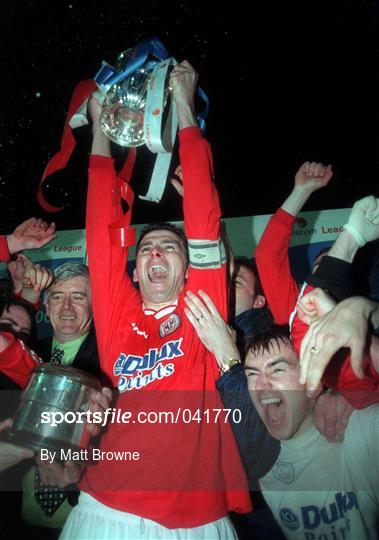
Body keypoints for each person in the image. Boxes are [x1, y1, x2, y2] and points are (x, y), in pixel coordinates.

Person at [59, 60, 251, 539]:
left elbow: (204, 218)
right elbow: (102, 233)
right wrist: (102, 128)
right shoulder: (119, 312)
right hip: (108, 507)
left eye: (169, 247)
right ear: (137, 268)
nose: (156, 253)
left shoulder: (201, 310)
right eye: (146, 248)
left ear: (188, 269)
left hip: (197, 521)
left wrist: (185, 106)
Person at [184, 290, 379, 539]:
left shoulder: (354, 434)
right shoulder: (253, 453)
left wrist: (365, 311)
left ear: (313, 379)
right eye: (252, 374)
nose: (261, 384)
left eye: (277, 369)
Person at [21, 262, 102, 535]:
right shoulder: (27, 356)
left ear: (94, 306)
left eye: (78, 297)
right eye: (57, 297)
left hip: (81, 521)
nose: (67, 307)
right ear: (46, 306)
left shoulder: (111, 364)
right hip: (16, 520)